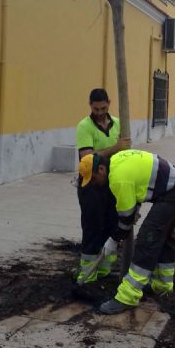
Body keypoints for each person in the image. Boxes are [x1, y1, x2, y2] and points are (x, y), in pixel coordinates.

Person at [78, 149, 175, 314]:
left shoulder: (117, 179)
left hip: (171, 193)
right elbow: (136, 184)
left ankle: (128, 296)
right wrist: (133, 209)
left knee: (147, 239)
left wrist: (114, 240)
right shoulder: (116, 161)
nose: (94, 183)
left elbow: (126, 221)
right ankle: (163, 286)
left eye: (93, 179)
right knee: (164, 237)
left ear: (101, 169)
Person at [76, 88, 131, 283]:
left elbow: (126, 150)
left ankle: (105, 271)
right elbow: (87, 156)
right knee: (92, 226)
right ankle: (87, 273)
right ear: (90, 105)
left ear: (109, 103)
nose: (99, 112)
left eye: (103, 108)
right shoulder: (84, 126)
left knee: (111, 224)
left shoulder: (118, 123)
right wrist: (115, 148)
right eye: (96, 108)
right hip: (91, 184)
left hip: (113, 181)